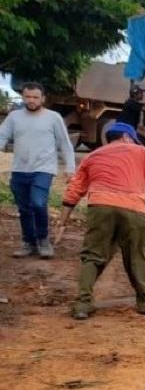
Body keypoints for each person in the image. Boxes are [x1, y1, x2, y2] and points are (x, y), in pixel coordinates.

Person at [55, 122, 145, 320]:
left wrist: (62, 222)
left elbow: (74, 191)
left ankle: (82, 303)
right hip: (134, 207)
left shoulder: (92, 156)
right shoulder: (141, 152)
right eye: (132, 139)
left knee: (93, 255)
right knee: (137, 256)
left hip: (100, 207)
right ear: (126, 136)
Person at [0, 82, 76, 258]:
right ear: (23, 97)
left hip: (44, 169)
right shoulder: (14, 117)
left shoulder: (53, 117)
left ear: (43, 98)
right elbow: (2, 136)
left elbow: (65, 143)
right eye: (28, 97)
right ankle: (28, 242)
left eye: (35, 97)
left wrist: (70, 167)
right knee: (24, 207)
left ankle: (43, 240)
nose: (31, 100)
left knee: (38, 203)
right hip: (19, 169)